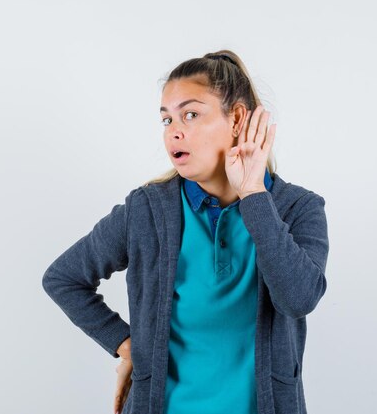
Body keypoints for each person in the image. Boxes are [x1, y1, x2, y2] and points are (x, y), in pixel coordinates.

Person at [42, 49, 330, 414]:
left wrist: (254, 195)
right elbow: (63, 278)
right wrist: (127, 344)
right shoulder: (146, 210)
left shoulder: (298, 208)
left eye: (191, 115)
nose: (174, 132)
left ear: (237, 119)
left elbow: (299, 299)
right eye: (167, 120)